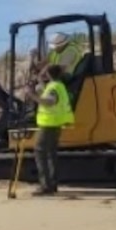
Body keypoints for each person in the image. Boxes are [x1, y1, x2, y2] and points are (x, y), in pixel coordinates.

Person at [26, 64, 75, 196]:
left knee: (40, 152)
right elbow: (45, 91)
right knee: (51, 153)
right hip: (56, 124)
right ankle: (52, 184)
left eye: (45, 73)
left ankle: (45, 186)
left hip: (48, 125)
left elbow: (50, 101)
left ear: (49, 74)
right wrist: (40, 81)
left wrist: (32, 95)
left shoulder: (53, 88)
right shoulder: (58, 85)